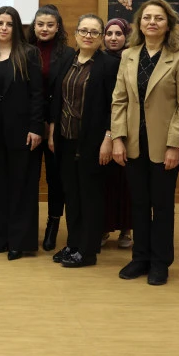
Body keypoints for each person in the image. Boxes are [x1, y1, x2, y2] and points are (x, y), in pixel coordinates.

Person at [110, 0, 179, 285]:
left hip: (164, 146)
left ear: (168, 23)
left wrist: (175, 145)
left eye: (158, 18)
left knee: (162, 205)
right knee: (138, 204)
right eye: (147, 17)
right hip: (133, 143)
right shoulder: (128, 56)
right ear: (139, 23)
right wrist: (118, 139)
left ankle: (160, 262)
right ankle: (140, 258)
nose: (152, 22)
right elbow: (119, 100)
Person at [48, 14, 119, 268]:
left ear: (101, 38)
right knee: (72, 195)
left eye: (94, 32)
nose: (88, 36)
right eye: (84, 31)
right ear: (76, 34)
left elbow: (116, 105)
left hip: (94, 141)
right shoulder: (67, 59)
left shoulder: (108, 65)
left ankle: (87, 251)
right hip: (66, 139)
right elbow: (57, 98)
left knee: (90, 196)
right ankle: (73, 244)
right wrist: (53, 129)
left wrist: (109, 138)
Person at [0, 6, 44, 259]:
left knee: (21, 186)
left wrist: (36, 128)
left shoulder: (29, 53)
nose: (4, 28)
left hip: (23, 132)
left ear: (17, 28)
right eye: (0, 23)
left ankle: (19, 240)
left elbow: (37, 94)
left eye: (9, 24)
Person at [29, 5, 74, 250]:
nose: (44, 29)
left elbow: (63, 93)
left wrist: (52, 125)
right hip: (29, 125)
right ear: (33, 26)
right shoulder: (24, 51)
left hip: (57, 126)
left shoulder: (67, 54)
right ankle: (27, 227)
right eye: (40, 24)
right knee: (28, 178)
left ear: (58, 28)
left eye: (50, 25)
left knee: (55, 179)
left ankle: (53, 225)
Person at [101, 18, 133, 250]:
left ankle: (126, 230)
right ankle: (104, 227)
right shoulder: (98, 59)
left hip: (127, 129)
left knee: (126, 183)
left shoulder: (132, 59)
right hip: (101, 127)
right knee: (105, 183)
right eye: (109, 33)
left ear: (126, 36)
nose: (113, 38)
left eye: (118, 34)